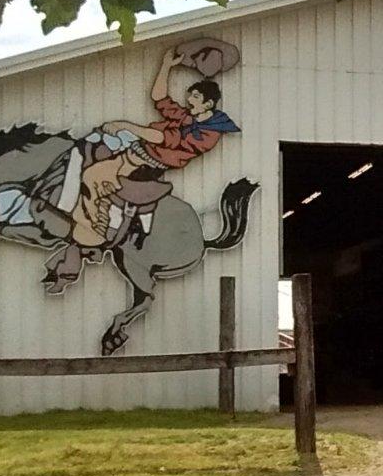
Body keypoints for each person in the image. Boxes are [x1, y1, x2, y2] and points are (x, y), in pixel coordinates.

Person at [43, 45, 241, 292]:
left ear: (208, 103)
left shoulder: (209, 132)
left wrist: (128, 126)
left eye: (195, 97)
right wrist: (166, 65)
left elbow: (166, 140)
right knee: (87, 151)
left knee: (94, 176)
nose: (189, 100)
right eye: (191, 96)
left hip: (145, 163)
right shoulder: (188, 118)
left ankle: (95, 232)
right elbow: (160, 98)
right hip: (135, 149)